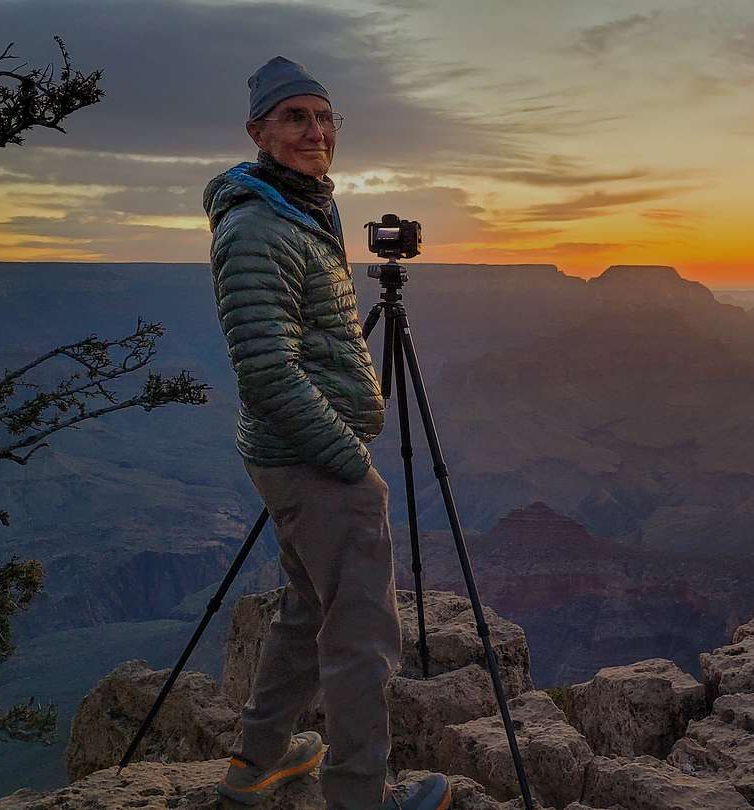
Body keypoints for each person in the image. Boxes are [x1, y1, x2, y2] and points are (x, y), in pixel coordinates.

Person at [202, 56, 452, 810]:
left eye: (325, 117)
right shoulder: (255, 229)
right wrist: (353, 463)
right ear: (258, 131)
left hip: (295, 456)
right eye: (296, 118)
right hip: (315, 462)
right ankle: (359, 795)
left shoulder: (296, 210)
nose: (317, 131)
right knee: (362, 636)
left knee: (305, 610)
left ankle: (256, 763)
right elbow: (267, 371)